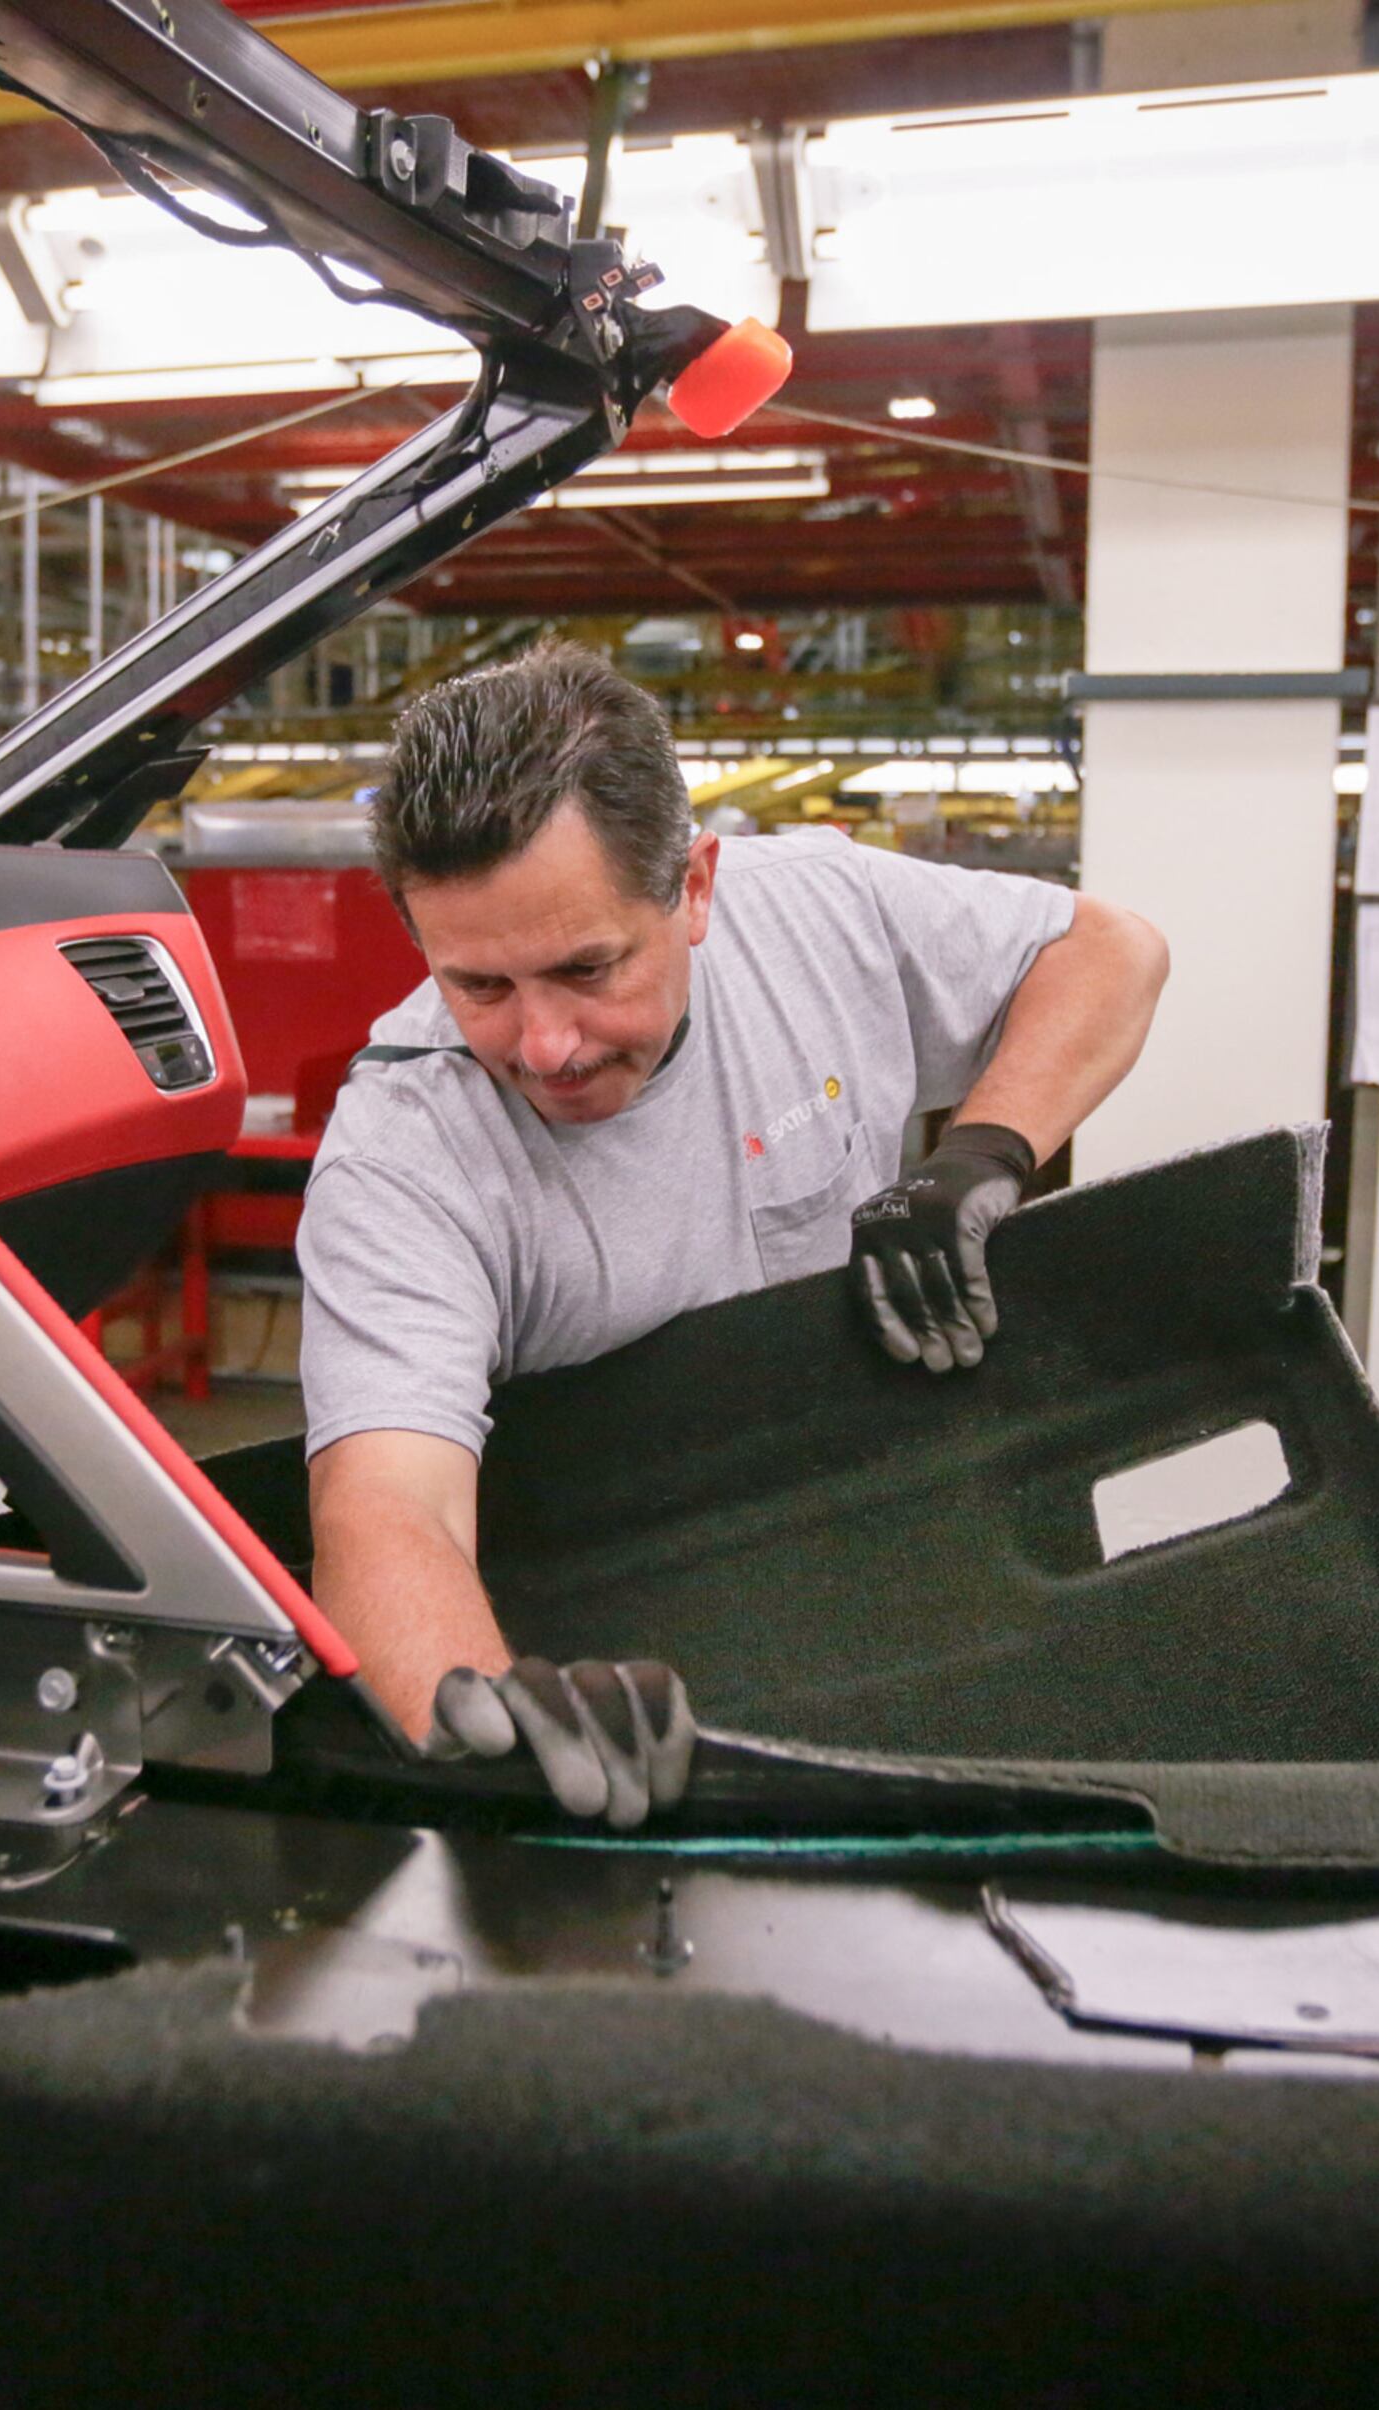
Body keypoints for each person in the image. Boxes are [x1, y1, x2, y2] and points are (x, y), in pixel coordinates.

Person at [295, 642, 1169, 1827]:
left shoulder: (817, 911)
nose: (544, 1043)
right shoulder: (406, 1146)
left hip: (885, 1541)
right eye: (481, 988)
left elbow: (1112, 952)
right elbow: (388, 1507)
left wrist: (984, 1153)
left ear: (697, 887)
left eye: (588, 967)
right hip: (627, 1653)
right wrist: (492, 1721)